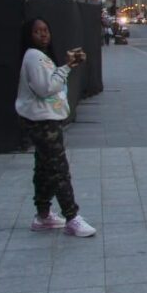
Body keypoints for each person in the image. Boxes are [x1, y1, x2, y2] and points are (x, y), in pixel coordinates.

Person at [15, 18, 97, 237]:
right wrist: (67, 67)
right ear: (29, 35)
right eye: (37, 31)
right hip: (43, 121)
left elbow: (48, 82)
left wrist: (67, 65)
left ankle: (43, 215)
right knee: (59, 169)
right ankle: (72, 217)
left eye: (46, 30)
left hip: (43, 118)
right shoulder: (34, 57)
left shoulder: (39, 56)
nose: (43, 34)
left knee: (44, 167)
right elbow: (45, 88)